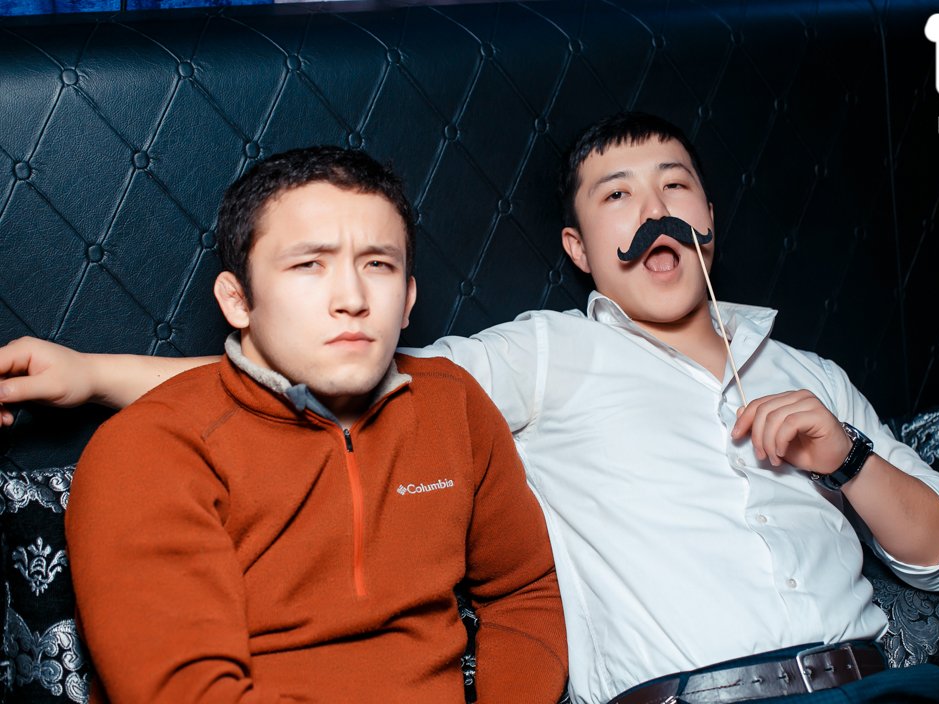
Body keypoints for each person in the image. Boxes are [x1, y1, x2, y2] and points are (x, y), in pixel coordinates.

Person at [0, 114, 939, 704]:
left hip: (887, 682)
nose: (655, 209)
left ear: (710, 221)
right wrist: (93, 373)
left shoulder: (812, 372)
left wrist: (848, 456)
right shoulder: (543, 355)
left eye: (676, 184)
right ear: (578, 248)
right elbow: (325, 366)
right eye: (617, 195)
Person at [47, 146, 567, 703]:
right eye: (309, 264)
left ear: (408, 300)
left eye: (378, 264)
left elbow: (526, 590)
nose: (352, 299)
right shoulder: (150, 447)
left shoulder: (453, 404)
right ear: (238, 300)